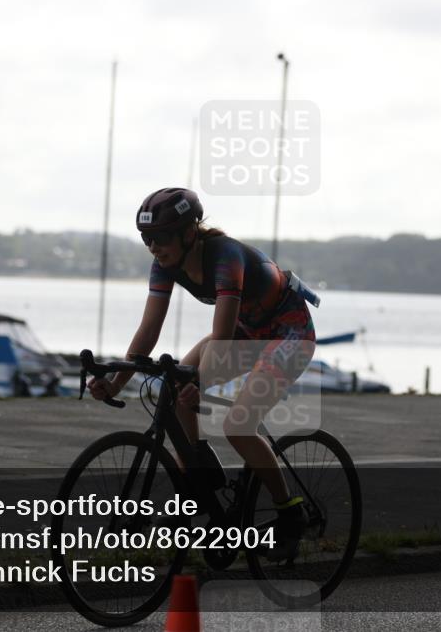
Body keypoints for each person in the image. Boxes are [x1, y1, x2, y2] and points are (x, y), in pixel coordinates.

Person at [88, 187, 317, 560]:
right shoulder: (164, 264)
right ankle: (200, 484)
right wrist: (115, 382)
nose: (153, 246)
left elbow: (223, 337)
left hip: (287, 332)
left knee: (238, 425)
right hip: (248, 330)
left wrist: (200, 383)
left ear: (189, 231)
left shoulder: (225, 257)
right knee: (177, 388)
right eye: (147, 238)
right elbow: (148, 331)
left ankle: (290, 511)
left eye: (161, 237)